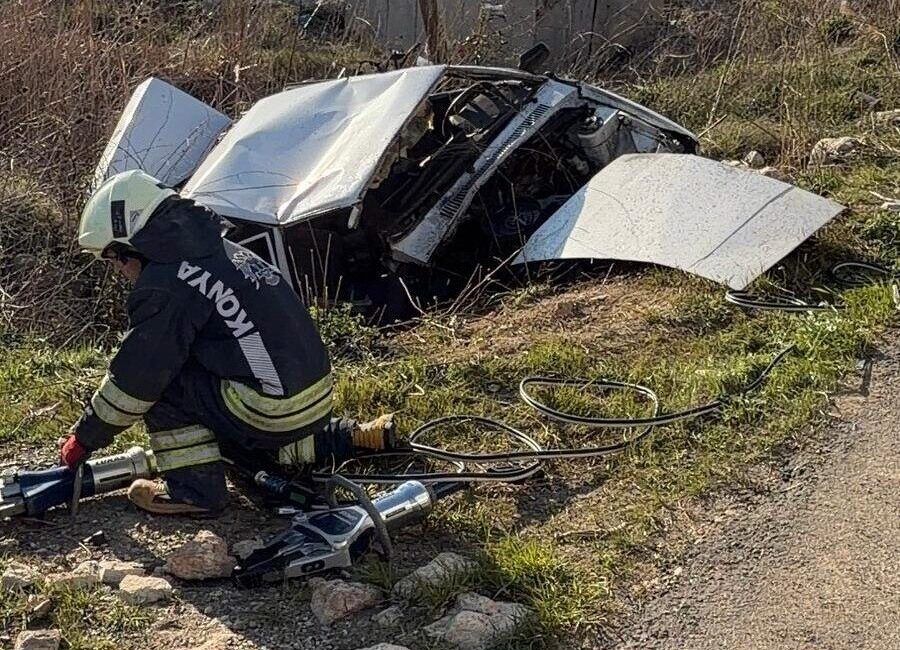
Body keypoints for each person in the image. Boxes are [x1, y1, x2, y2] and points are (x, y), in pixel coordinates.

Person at [59, 170, 392, 516]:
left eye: (112, 260)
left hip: (271, 409)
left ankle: (194, 493)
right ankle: (349, 437)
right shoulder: (214, 248)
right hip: (313, 396)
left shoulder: (166, 281)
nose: (118, 272)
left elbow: (137, 379)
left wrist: (84, 438)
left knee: (164, 384)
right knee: (232, 435)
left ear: (129, 246)